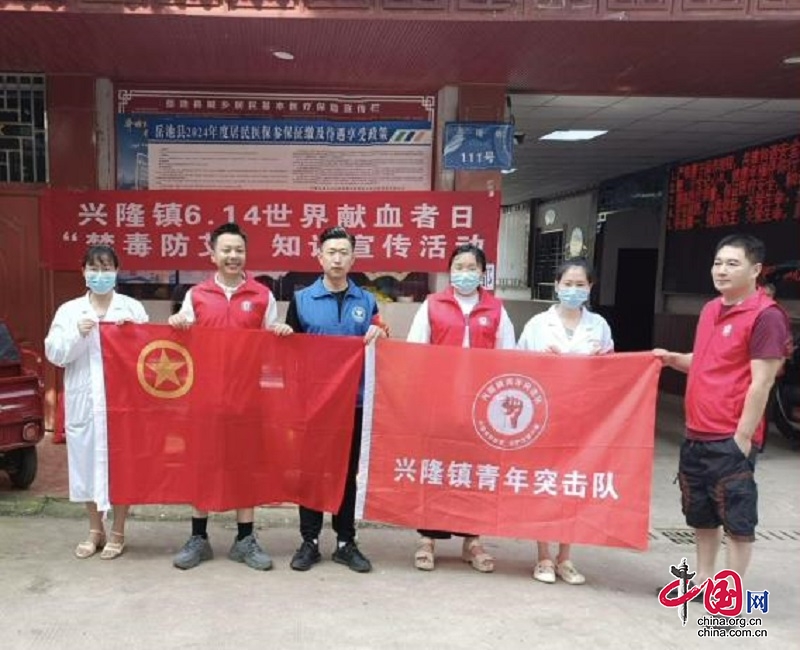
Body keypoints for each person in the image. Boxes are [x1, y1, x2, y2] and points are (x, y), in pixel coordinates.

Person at [654, 234, 790, 592]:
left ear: (755, 270)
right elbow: (706, 362)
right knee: (701, 514)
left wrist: (742, 438)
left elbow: (762, 381)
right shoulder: (711, 309)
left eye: (732, 264)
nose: (722, 270)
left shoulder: (766, 316)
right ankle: (703, 579)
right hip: (696, 432)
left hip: (730, 437)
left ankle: (730, 591)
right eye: (718, 263)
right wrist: (672, 359)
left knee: (737, 517)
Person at [168, 222, 292, 571]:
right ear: (213, 254)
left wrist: (281, 330)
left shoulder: (262, 296)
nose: (233, 256)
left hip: (248, 400)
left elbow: (272, 343)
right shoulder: (196, 295)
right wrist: (177, 323)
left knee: (245, 467)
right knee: (202, 465)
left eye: (239, 250)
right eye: (226, 250)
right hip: (204, 399)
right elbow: (181, 336)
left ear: (246, 254)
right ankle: (198, 538)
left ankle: (245, 540)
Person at [406, 243, 516, 573]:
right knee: (436, 468)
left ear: (483, 273)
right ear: (449, 271)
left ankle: (472, 540)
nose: (464, 273)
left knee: (477, 471)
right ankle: (427, 539)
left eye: (471, 268)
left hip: (482, 406)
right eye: (459, 267)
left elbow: (508, 357)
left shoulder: (496, 310)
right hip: (439, 401)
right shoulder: (432, 305)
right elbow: (414, 352)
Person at [284, 226, 387, 574]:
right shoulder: (301, 300)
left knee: (347, 473)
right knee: (312, 473)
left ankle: (345, 542)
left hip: (354, 404)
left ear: (353, 258)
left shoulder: (367, 301)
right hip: (314, 405)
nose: (337, 259)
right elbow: (290, 354)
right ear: (319, 257)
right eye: (331, 252)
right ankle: (309, 541)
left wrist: (380, 332)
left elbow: (382, 340)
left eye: (344, 252)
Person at [44, 245, 149, 560]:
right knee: (86, 464)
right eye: (94, 268)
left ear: (116, 271)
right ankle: (94, 529)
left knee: (122, 465)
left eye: (106, 268)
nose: (100, 274)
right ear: (84, 272)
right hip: (86, 403)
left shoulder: (132, 309)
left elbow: (149, 356)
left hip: (122, 403)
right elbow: (55, 354)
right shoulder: (70, 311)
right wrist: (76, 334)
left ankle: (118, 530)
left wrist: (132, 335)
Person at [516, 258, 613, 585]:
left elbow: (613, 372)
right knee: (546, 483)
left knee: (574, 484)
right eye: (567, 284)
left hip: (584, 418)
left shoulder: (599, 325)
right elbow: (517, 366)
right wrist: (542, 363)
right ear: (556, 286)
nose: (573, 290)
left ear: (590, 287)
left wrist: (601, 362)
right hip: (545, 416)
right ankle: (543, 555)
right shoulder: (537, 325)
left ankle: (566, 557)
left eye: (580, 285)